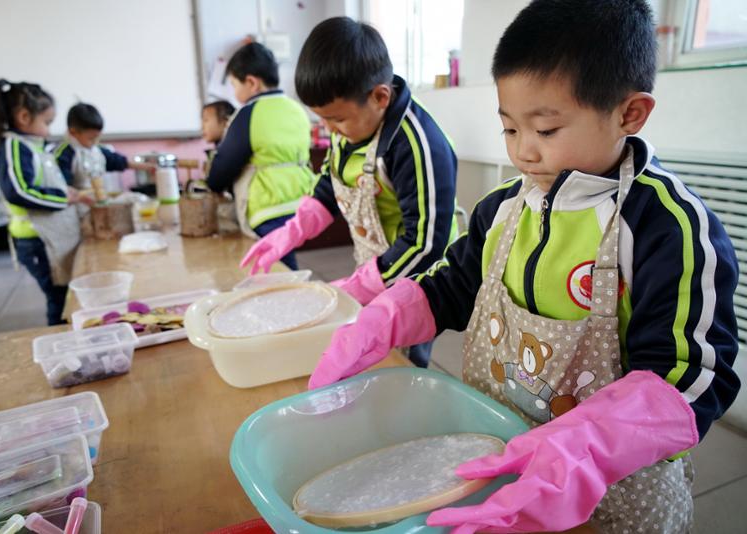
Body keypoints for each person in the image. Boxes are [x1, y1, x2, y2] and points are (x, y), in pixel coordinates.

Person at [308, 1, 741, 532]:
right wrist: (389, 314)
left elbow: (692, 377)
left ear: (629, 114)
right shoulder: (503, 209)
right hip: (504, 463)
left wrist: (588, 446)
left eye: (546, 130)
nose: (524, 154)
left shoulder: (667, 227)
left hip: (618, 491)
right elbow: (453, 284)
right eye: (510, 130)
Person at [240, 18, 459, 366]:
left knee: (400, 359)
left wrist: (362, 285)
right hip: (378, 264)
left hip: (419, 276)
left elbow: (425, 244)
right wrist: (291, 232)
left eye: (337, 119)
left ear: (380, 97)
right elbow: (331, 185)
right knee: (363, 347)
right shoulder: (351, 128)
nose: (330, 130)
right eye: (322, 119)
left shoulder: (416, 145)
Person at [0, 80, 92, 325]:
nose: (48, 131)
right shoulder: (14, 146)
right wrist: (63, 198)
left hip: (49, 237)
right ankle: (60, 338)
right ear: (24, 117)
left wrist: (69, 192)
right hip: (36, 239)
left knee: (65, 295)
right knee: (58, 299)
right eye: (46, 122)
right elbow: (18, 191)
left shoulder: (34, 146)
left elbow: (44, 182)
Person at [206, 42, 314, 269]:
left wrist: (212, 182)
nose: (234, 92)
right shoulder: (297, 108)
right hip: (301, 201)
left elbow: (224, 167)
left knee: (276, 266)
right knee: (285, 257)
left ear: (251, 82)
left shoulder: (248, 113)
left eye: (234, 85)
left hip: (268, 206)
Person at [52, 102, 153, 190]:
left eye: (97, 137)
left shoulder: (96, 150)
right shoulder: (64, 153)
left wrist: (145, 166)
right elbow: (63, 184)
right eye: (91, 138)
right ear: (73, 132)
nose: (95, 142)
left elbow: (116, 160)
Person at [201, 100, 235, 175]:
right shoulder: (216, 152)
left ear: (226, 122)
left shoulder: (231, 154)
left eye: (206, 120)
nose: (202, 127)